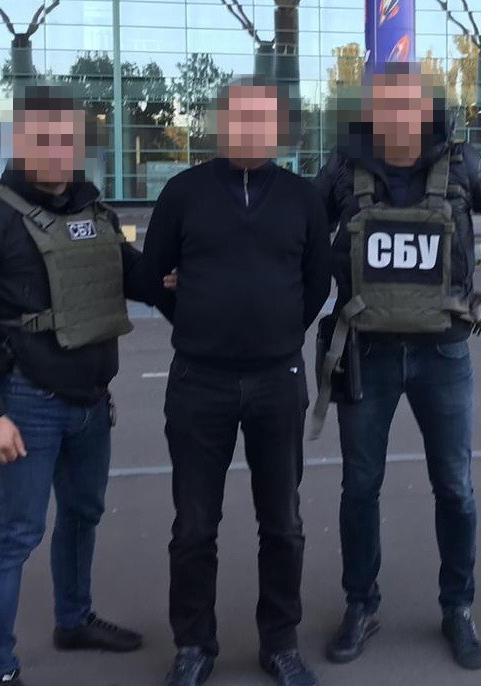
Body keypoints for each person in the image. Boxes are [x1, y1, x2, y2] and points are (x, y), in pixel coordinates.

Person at [0, 84, 172, 686]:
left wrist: (188, 270)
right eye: (45, 137)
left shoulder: (93, 211)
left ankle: (74, 619)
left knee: (84, 515)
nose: (59, 150)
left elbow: (136, 280)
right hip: (24, 404)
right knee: (14, 536)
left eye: (69, 138)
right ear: (19, 139)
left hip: (91, 403)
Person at [312, 62, 481, 671]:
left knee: (455, 488)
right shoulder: (344, 167)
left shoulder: (461, 163)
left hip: (443, 353)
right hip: (366, 353)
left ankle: (457, 608)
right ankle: (360, 605)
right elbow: (302, 233)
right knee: (360, 487)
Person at [140, 77, 331, 686]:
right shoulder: (183, 193)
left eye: (262, 119)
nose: (250, 129)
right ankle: (195, 645)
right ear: (220, 125)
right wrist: (199, 321)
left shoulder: (302, 198)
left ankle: (280, 642)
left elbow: (317, 283)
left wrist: (277, 331)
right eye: (239, 118)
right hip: (200, 381)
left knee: (283, 524)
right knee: (194, 527)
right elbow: (154, 276)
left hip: (278, 381)